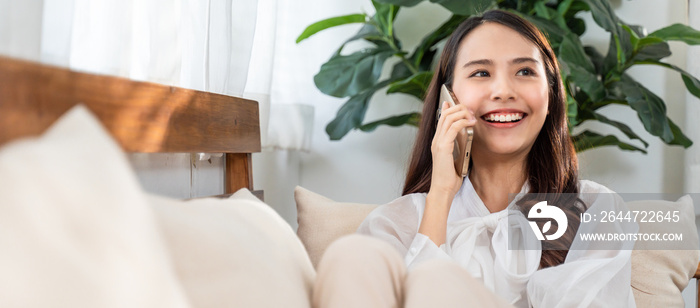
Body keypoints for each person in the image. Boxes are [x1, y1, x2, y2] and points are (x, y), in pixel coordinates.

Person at [312, 10, 636, 308]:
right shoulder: (396, 224)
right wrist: (440, 196)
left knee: (430, 278)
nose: (503, 90)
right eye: (481, 72)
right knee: (349, 255)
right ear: (447, 99)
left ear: (551, 95)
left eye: (525, 71)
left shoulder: (595, 210)